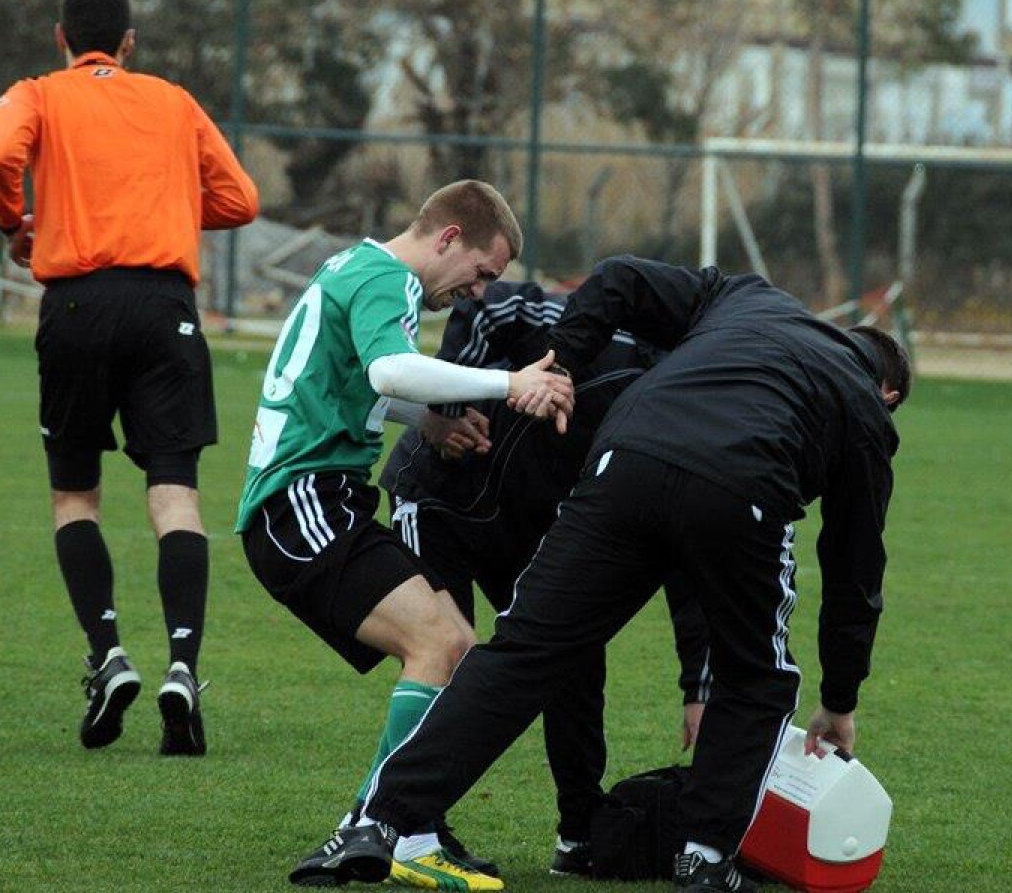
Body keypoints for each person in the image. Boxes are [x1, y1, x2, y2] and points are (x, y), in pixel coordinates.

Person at [287, 255, 911, 893]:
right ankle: (705, 858)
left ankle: (379, 820)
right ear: (889, 393)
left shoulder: (747, 297)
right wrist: (839, 699)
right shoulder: (865, 407)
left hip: (624, 458)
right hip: (743, 486)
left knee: (525, 653)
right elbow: (854, 572)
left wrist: (562, 366)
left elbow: (620, 278)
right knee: (758, 679)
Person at [234, 180, 573, 891]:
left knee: (455, 646)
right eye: (482, 272)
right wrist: (509, 383)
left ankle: (400, 825)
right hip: (302, 504)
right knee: (442, 643)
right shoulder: (388, 277)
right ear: (449, 236)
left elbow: (359, 382)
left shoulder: (356, 267)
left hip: (312, 503)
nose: (478, 293)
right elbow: (390, 368)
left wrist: (427, 422)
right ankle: (382, 825)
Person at [0, 0, 259, 756]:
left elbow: (0, 151)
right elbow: (241, 198)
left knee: (75, 494)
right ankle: (182, 667)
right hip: (166, 306)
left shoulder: (37, 93)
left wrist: (14, 223)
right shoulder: (172, 101)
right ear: (129, 42)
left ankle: (107, 657)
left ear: (62, 36)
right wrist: (155, 201)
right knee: (175, 495)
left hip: (76, 307)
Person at [380, 279, 714, 876]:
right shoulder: (600, 344)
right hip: (437, 499)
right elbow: (487, 303)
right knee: (447, 652)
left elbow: (687, 551)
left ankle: (579, 832)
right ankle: (402, 824)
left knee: (575, 658)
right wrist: (448, 411)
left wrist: (699, 686)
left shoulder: (689, 423)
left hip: (534, 530)